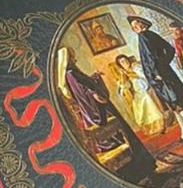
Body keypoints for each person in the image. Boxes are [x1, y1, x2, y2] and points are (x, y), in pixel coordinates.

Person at [62, 46, 156, 178]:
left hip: (101, 104)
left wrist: (95, 77)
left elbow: (87, 84)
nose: (74, 58)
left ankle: (145, 168)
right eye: (71, 56)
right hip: (99, 107)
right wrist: (95, 94)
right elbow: (83, 91)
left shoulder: (73, 72)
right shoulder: (71, 73)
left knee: (124, 132)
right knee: (120, 134)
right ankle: (141, 171)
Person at [127, 16, 183, 146]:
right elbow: (169, 50)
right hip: (164, 74)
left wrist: (157, 72)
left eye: (138, 24)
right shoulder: (150, 34)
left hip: (160, 77)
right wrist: (163, 65)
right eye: (134, 27)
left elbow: (151, 59)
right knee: (173, 105)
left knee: (177, 104)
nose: (136, 27)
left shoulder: (144, 36)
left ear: (143, 24)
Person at [113, 54, 166, 136]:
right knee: (139, 108)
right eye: (122, 62)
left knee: (148, 101)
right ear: (120, 65)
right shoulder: (123, 74)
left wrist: (129, 73)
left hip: (146, 88)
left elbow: (143, 76)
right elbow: (126, 86)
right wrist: (123, 76)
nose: (125, 62)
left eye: (125, 60)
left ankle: (161, 125)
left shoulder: (135, 67)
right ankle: (152, 128)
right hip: (137, 92)